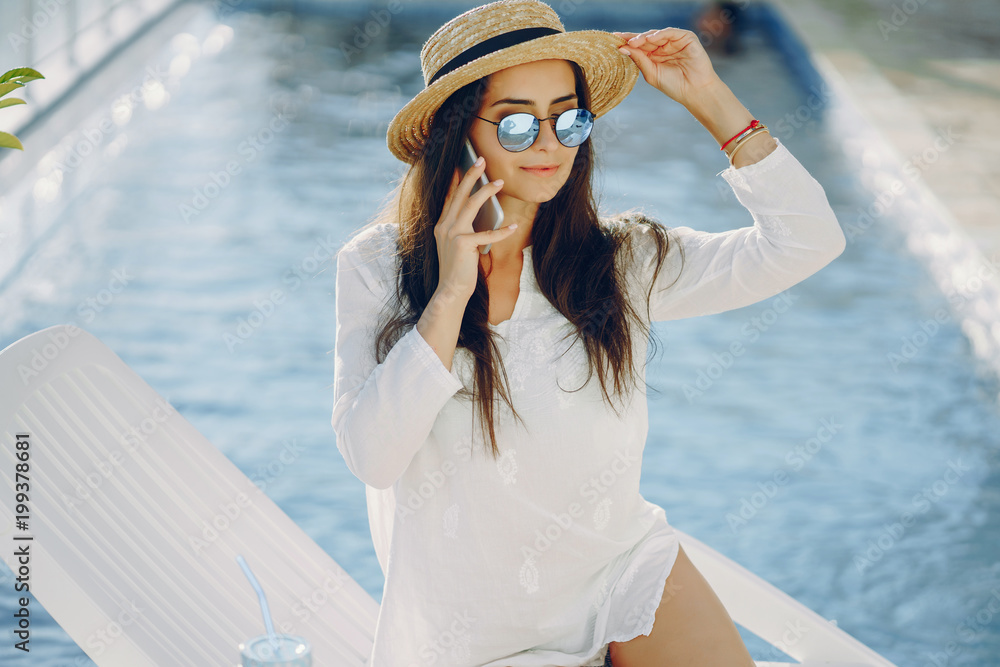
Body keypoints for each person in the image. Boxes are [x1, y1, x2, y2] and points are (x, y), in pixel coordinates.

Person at [331, 0, 846, 665]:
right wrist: (453, 294)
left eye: (568, 118)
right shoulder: (378, 268)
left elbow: (809, 241)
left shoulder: (622, 261)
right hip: (474, 638)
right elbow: (371, 455)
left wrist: (711, 100)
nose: (550, 145)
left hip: (621, 572)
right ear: (453, 135)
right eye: (517, 123)